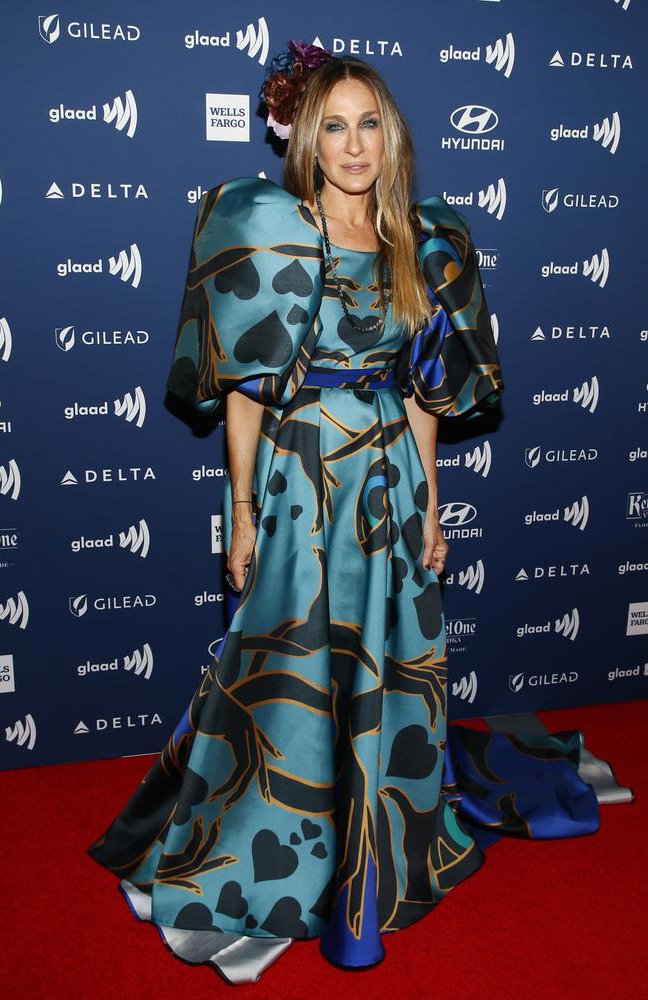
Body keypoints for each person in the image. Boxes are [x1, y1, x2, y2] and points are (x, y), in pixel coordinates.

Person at [87, 44, 600, 985]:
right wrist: (240, 512)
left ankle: (381, 847)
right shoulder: (269, 232)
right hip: (301, 481)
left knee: (386, 667)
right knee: (284, 662)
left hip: (389, 483)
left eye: (370, 123)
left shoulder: (423, 243)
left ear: (390, 134)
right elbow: (245, 395)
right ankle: (266, 837)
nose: (354, 144)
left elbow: (422, 400)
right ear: (304, 138)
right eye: (335, 125)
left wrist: (433, 507)